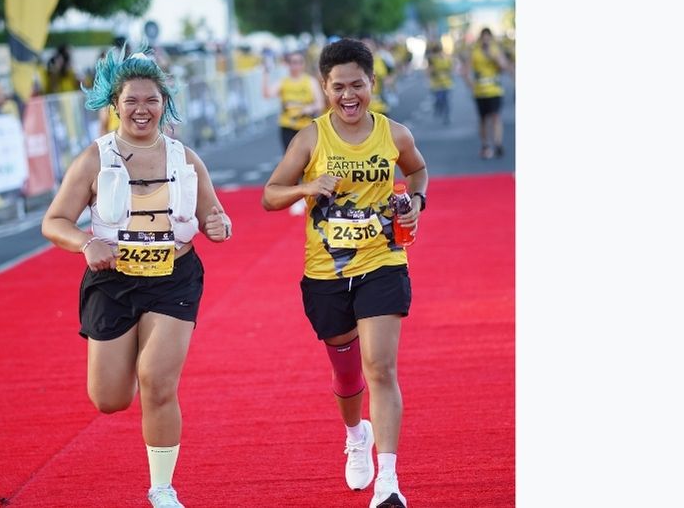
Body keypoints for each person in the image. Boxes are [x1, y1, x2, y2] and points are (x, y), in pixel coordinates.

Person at [41, 43, 233, 508]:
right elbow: (54, 221)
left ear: (165, 103)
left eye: (151, 100)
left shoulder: (185, 158)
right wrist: (86, 243)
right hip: (114, 280)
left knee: (157, 381)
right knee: (109, 399)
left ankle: (162, 489)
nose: (142, 109)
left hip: (175, 277)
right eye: (132, 101)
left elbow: (216, 217)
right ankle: (121, 365)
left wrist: (219, 226)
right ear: (115, 105)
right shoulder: (94, 159)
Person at [261, 38, 428, 508]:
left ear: (372, 83)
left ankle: (388, 482)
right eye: (339, 87)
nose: (349, 96)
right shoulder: (310, 138)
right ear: (324, 87)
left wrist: (416, 202)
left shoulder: (394, 134)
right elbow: (270, 195)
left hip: (383, 261)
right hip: (326, 272)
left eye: (358, 85)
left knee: (380, 366)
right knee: (347, 371)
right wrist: (307, 186)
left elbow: (417, 171)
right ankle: (356, 434)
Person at [460, 27, 512, 159]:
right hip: (480, 92)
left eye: (488, 38)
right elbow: (465, 71)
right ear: (480, 38)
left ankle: (498, 144)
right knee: (483, 119)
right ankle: (485, 145)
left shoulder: (495, 51)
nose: (485, 40)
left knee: (495, 117)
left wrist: (493, 57)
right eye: (483, 38)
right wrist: (470, 84)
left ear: (491, 38)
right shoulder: (475, 52)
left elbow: (504, 67)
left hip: (495, 90)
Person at [262, 50, 325, 152]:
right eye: (293, 62)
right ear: (288, 64)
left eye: (299, 62)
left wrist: (310, 108)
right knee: (290, 157)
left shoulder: (310, 82)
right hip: (287, 126)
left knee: (307, 157)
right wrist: (265, 74)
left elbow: (320, 104)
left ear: (303, 64)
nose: (296, 65)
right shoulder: (283, 82)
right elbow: (267, 94)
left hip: (305, 126)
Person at [426, 42, 453, 125]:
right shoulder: (432, 60)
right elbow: (429, 71)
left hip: (446, 83)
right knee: (439, 99)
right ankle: (438, 108)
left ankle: (446, 116)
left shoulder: (446, 58)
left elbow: (450, 69)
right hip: (436, 84)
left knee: (446, 100)